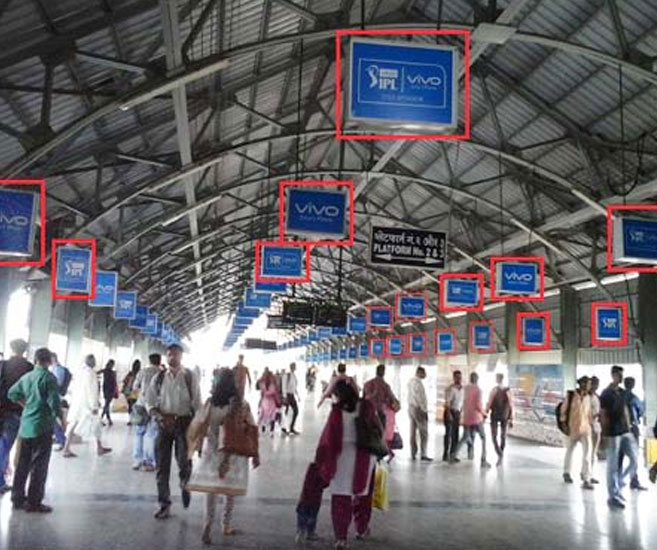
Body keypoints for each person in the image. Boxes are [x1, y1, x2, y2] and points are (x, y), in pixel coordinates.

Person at [187, 368, 260, 545]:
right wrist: (255, 453)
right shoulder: (241, 405)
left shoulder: (211, 403)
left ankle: (207, 525)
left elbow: (197, 424)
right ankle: (226, 524)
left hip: (212, 451)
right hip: (233, 454)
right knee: (229, 492)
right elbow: (252, 427)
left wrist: (195, 445)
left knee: (210, 492)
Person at [315, 380, 379, 550]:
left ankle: (341, 538)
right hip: (365, 457)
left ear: (338, 395)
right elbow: (376, 429)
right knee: (363, 497)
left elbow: (328, 439)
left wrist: (322, 460)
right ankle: (361, 528)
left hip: (341, 459)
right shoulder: (367, 407)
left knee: (341, 500)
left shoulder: (337, 412)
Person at [146, 343, 201, 519]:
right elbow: (150, 403)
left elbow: (197, 404)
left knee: (185, 461)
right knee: (162, 467)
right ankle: (164, 504)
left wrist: (198, 430)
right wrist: (160, 417)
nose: (172, 358)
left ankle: (185, 484)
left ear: (181, 356)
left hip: (184, 424)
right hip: (164, 425)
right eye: (169, 355)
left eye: (175, 355)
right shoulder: (159, 378)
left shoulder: (190, 377)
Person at [7, 348, 60, 513]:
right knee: (39, 466)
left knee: (22, 463)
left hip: (25, 426)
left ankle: (17, 498)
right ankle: (34, 502)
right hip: (42, 428)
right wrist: (57, 419)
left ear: (36, 360)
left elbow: (12, 393)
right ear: (49, 361)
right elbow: (54, 404)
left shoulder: (27, 376)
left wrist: (26, 405)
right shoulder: (49, 378)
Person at [600, 365, 638, 509]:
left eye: (622, 375)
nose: (622, 378)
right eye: (619, 375)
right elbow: (604, 414)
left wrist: (630, 427)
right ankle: (612, 495)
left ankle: (619, 483)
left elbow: (626, 410)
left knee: (634, 460)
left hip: (625, 431)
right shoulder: (606, 393)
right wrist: (604, 435)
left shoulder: (622, 392)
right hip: (613, 432)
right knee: (613, 465)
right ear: (613, 375)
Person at [0, 338, 34, 493]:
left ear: (11, 348)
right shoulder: (29, 368)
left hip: (2, 410)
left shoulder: (3, 365)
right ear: (25, 350)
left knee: (4, 445)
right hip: (19, 411)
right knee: (10, 446)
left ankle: (2, 478)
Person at [62, 354, 112, 458]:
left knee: (74, 424)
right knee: (96, 424)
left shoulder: (79, 372)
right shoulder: (91, 373)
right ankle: (99, 447)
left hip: (77, 403)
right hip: (87, 405)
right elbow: (92, 390)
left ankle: (66, 447)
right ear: (91, 362)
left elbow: (73, 388)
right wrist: (94, 405)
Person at [561, 376, 595, 490]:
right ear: (582, 384)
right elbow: (563, 411)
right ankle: (566, 472)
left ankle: (586, 478)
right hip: (573, 428)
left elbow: (589, 413)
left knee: (587, 454)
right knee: (570, 451)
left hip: (586, 430)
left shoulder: (588, 397)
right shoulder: (571, 396)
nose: (589, 386)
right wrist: (564, 425)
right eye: (588, 383)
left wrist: (592, 425)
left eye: (590, 384)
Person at [451, 372, 490, 468]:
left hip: (467, 417)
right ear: (477, 379)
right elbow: (478, 405)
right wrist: (484, 414)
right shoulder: (478, 390)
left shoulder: (465, 388)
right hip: (476, 418)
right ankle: (483, 460)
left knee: (464, 437)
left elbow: (463, 402)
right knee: (483, 438)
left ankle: (453, 456)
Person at [132, 353, 163, 471]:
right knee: (152, 434)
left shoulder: (142, 372)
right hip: (155, 407)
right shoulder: (162, 373)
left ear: (149, 361)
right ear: (159, 361)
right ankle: (148, 462)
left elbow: (135, 386)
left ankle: (137, 460)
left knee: (139, 433)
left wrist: (143, 392)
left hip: (141, 404)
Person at [619, 377, 647, 491]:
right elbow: (640, 411)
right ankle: (633, 480)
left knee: (619, 456)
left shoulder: (619, 397)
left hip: (619, 430)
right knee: (634, 457)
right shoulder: (635, 398)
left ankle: (618, 480)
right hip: (632, 428)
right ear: (633, 385)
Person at [486, 373, 513, 466]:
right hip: (505, 416)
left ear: (497, 379)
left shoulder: (494, 390)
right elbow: (511, 404)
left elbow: (489, 402)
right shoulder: (508, 390)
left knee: (494, 436)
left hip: (494, 415)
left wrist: (485, 413)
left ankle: (499, 454)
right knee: (503, 436)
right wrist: (512, 418)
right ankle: (501, 454)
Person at [407, 366, 432, 462]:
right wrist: (424, 410)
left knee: (412, 432)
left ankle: (413, 453)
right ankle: (423, 454)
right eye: (424, 373)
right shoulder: (418, 383)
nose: (425, 375)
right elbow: (419, 398)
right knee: (424, 432)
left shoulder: (410, 382)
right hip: (418, 409)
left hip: (411, 408)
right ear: (419, 373)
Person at [49, 353, 71, 452]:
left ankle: (61, 439)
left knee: (52, 419)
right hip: (53, 398)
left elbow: (57, 384)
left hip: (55, 398)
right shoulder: (54, 368)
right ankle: (60, 438)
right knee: (54, 419)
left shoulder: (58, 369)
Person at [443, 370, 463, 462]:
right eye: (457, 377)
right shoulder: (450, 389)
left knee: (456, 435)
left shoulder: (462, 389)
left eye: (460, 377)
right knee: (448, 434)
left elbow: (462, 402)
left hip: (457, 413)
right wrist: (449, 414)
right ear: (454, 378)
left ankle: (453, 454)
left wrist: (461, 412)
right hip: (450, 412)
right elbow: (447, 403)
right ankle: (445, 454)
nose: (459, 379)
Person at [257, 369, 279, 437]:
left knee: (263, 415)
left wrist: (260, 401)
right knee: (272, 416)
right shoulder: (272, 384)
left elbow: (262, 393)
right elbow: (274, 393)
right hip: (271, 402)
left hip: (265, 401)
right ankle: (271, 432)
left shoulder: (262, 384)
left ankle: (261, 428)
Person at [282, 363, 300, 435]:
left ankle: (291, 427)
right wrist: (284, 396)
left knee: (296, 411)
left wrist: (298, 395)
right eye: (293, 366)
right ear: (290, 367)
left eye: (295, 366)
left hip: (292, 395)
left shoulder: (294, 376)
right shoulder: (287, 375)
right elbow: (284, 386)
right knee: (285, 412)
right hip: (287, 395)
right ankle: (283, 427)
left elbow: (294, 387)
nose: (294, 367)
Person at [589, 376, 602, 480]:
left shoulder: (596, 396)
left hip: (596, 426)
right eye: (594, 383)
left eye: (597, 384)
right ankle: (587, 475)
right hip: (589, 426)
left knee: (593, 452)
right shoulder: (586, 397)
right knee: (589, 452)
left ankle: (590, 474)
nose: (596, 386)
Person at [100, 359, 118, 427]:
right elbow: (114, 382)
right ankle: (102, 418)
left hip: (106, 389)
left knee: (107, 404)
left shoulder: (105, 370)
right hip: (110, 390)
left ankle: (108, 419)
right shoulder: (111, 372)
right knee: (107, 404)